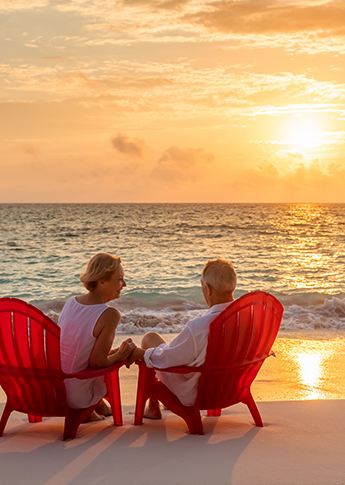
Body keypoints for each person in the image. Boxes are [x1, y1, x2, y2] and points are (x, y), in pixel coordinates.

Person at [126, 258, 237, 418]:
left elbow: (169, 358)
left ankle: (153, 408)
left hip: (195, 391)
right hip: (229, 387)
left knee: (150, 339)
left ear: (208, 289)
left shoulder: (201, 326)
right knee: (172, 347)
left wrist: (139, 354)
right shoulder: (247, 316)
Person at [58, 253, 136, 420]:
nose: (124, 284)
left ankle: (99, 406)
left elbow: (76, 349)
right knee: (105, 368)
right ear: (101, 281)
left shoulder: (71, 302)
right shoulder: (109, 314)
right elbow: (97, 362)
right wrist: (121, 355)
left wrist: (113, 352)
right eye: (119, 279)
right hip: (75, 395)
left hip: (55, 388)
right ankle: (90, 409)